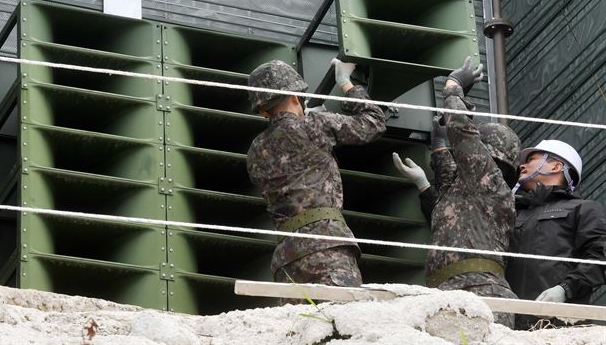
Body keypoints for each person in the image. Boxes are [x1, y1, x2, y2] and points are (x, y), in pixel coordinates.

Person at [393, 57, 521, 328]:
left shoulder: (488, 179)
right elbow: (450, 179)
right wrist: (439, 147)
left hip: (479, 294)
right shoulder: (476, 185)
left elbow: (463, 133)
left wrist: (453, 89)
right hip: (453, 295)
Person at [246, 59, 386, 295]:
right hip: (327, 248)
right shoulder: (315, 125)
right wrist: (346, 84)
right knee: (344, 324)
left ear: (262, 111)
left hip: (287, 260)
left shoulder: (254, 151)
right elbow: (374, 122)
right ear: (294, 97)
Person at [506, 140, 606, 329]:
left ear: (556, 166)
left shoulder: (583, 209)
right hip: (506, 326)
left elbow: (600, 259)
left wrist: (565, 289)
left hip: (559, 326)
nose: (522, 165)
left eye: (532, 159)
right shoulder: (513, 212)